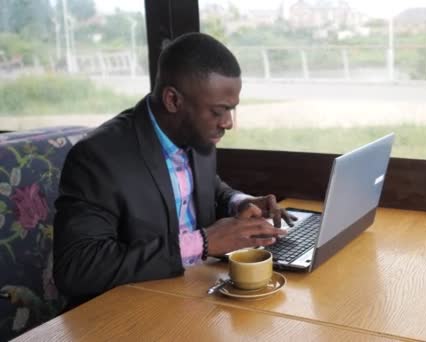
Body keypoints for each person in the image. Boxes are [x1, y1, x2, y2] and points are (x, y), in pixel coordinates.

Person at [53, 32, 293, 307]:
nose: (227, 123)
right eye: (218, 112)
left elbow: (208, 187)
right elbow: (77, 268)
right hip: (126, 311)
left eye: (231, 110)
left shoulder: (196, 133)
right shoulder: (97, 158)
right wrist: (203, 243)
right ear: (173, 100)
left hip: (195, 294)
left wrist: (238, 202)